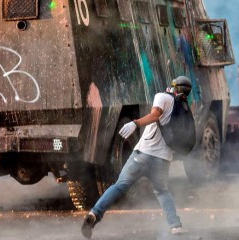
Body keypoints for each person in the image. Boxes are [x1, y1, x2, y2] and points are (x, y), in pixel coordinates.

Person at [80, 76, 192, 239]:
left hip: (142, 155)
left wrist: (135, 123)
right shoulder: (183, 108)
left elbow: (155, 115)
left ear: (174, 87)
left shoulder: (163, 97)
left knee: (119, 186)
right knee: (162, 191)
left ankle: (94, 214)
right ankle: (175, 226)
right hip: (162, 160)